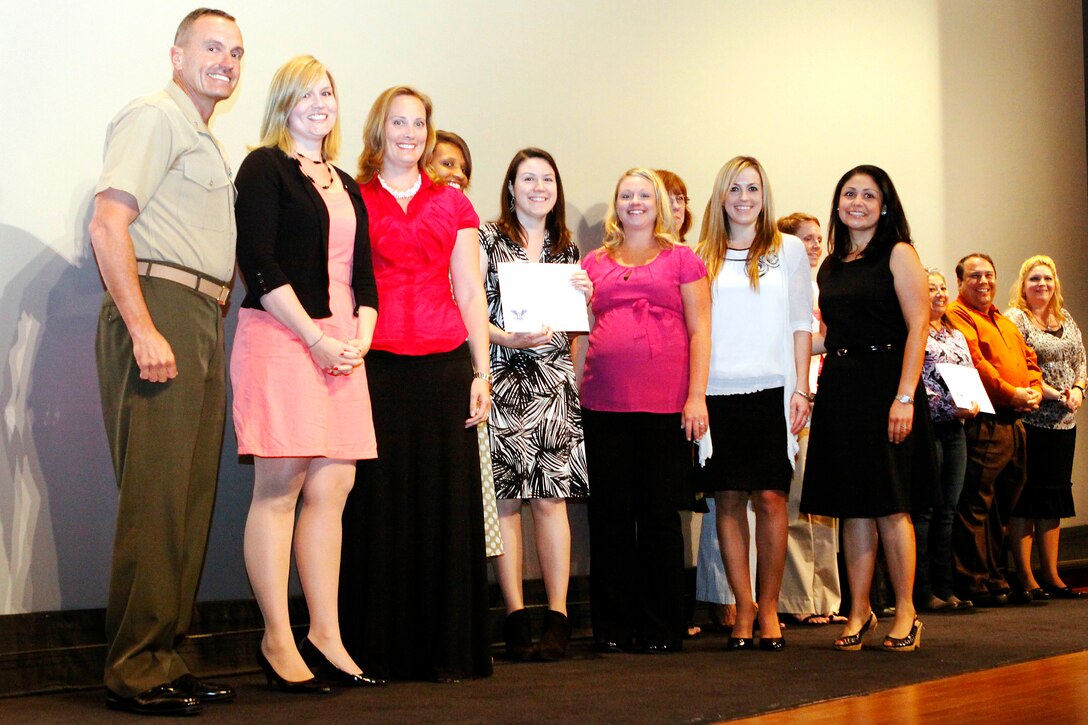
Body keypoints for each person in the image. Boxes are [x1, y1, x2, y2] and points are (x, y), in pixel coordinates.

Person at [88, 8, 242, 715]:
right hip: (160, 306)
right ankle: (134, 666)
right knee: (156, 498)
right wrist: (143, 327)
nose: (227, 61)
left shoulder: (203, 137)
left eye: (236, 53)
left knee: (188, 499)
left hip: (199, 315)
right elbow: (108, 221)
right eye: (212, 47)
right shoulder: (155, 115)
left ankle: (166, 654)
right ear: (176, 54)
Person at [232, 55, 382, 693]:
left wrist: (359, 339)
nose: (320, 103)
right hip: (285, 339)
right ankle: (276, 637)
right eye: (306, 94)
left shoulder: (346, 183)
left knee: (332, 494)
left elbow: (367, 279)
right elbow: (258, 261)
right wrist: (317, 336)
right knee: (280, 490)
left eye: (328, 92)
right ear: (283, 103)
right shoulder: (264, 167)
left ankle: (326, 632)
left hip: (344, 349)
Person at [339, 86, 492, 682]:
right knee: (374, 508)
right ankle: (373, 649)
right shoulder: (352, 197)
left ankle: (444, 650)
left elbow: (470, 291)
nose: (409, 132)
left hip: (443, 367)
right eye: (397, 122)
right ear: (378, 130)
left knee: (442, 510)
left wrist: (482, 372)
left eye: (419, 122)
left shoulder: (452, 203)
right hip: (374, 368)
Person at [801, 165, 935, 652]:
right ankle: (860, 610)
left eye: (868, 195)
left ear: (884, 204)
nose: (857, 201)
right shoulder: (832, 265)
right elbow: (833, 334)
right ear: (838, 204)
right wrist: (785, 346)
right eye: (848, 194)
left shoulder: (899, 254)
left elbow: (918, 327)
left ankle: (907, 611)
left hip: (887, 387)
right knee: (853, 507)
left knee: (891, 505)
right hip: (841, 388)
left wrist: (904, 397)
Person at [577, 168, 711, 653]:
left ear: (658, 203)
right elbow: (583, 331)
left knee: (658, 518)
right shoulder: (593, 262)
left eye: (643, 195)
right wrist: (576, 392)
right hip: (603, 402)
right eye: (625, 195)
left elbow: (700, 331)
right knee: (609, 518)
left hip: (664, 405)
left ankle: (661, 626)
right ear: (617, 204)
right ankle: (612, 627)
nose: (635, 202)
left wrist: (696, 396)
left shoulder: (683, 259)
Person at [693, 157, 812, 651]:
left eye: (754, 189)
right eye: (735, 188)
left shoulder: (787, 251)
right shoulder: (699, 254)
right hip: (716, 393)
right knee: (728, 500)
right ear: (721, 196)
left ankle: (769, 608)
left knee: (771, 499)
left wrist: (802, 387)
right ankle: (741, 606)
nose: (744, 197)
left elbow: (801, 322)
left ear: (765, 197)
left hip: (773, 391)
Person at [481, 148, 591, 661]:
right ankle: (515, 613)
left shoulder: (567, 250)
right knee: (504, 502)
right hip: (502, 376)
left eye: (547, 178)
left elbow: (572, 331)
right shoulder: (484, 239)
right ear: (511, 187)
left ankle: (559, 615)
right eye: (528, 178)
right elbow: (466, 312)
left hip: (552, 382)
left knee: (550, 501)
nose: (538, 187)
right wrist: (507, 338)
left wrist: (582, 302)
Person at [946, 253, 1043, 607]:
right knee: (976, 503)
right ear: (960, 282)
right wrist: (1011, 393)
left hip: (1014, 421)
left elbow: (1029, 360)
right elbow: (977, 364)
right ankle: (973, 580)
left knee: (1003, 504)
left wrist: (1032, 387)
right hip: (985, 421)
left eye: (989, 274)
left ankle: (994, 575)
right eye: (974, 276)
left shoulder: (1004, 320)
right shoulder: (958, 315)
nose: (983, 282)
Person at [425, 130, 504, 561]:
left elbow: (474, 298)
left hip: (464, 362)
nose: (456, 174)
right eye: (446, 163)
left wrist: (482, 370)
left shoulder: (469, 224)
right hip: (426, 361)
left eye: (462, 167)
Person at [775, 212, 844, 626]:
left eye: (819, 239)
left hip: (828, 403)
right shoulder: (786, 288)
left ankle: (827, 598)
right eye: (806, 239)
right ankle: (799, 599)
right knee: (798, 504)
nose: (816, 246)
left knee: (826, 507)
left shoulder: (828, 288)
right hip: (797, 402)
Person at [1005, 256, 1085, 600]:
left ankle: (1051, 574)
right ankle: (1025, 577)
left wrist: (1079, 390)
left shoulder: (1064, 318)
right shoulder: (1016, 319)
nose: (1042, 285)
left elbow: (1080, 359)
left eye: (1048, 279)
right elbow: (1015, 366)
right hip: (1031, 420)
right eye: (1035, 279)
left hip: (1064, 423)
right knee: (1027, 498)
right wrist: (1054, 394)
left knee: (1053, 497)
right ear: (1023, 285)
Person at [913, 268, 978, 612]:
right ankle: (923, 592)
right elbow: (914, 383)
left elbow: (969, 375)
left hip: (957, 431)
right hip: (929, 428)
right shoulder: (914, 331)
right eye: (931, 288)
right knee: (924, 512)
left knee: (948, 512)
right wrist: (950, 409)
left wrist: (973, 403)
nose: (939, 293)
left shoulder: (955, 333)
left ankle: (946, 588)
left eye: (941, 288)